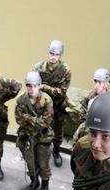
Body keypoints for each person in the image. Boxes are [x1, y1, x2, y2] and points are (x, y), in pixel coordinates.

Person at [14, 71, 54, 190]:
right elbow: (18, 119)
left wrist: (28, 118)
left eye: (35, 86)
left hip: (43, 137)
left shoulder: (47, 100)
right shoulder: (21, 99)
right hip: (27, 136)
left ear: (39, 86)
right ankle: (34, 181)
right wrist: (33, 120)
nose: (32, 89)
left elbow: (46, 122)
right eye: (29, 86)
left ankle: (45, 185)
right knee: (30, 162)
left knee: (43, 163)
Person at [34, 40, 71, 168]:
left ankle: (56, 151)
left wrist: (45, 87)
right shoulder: (38, 67)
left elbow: (62, 92)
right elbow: (33, 87)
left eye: (56, 54)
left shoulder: (65, 70)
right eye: (51, 53)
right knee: (40, 128)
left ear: (60, 56)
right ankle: (38, 150)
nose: (52, 57)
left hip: (58, 105)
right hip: (43, 105)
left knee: (58, 130)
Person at [71, 67, 110, 145]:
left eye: (100, 83)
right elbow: (82, 108)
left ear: (106, 84)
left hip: (100, 130)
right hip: (87, 125)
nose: (96, 85)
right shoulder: (90, 96)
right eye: (95, 82)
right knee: (76, 141)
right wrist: (85, 117)